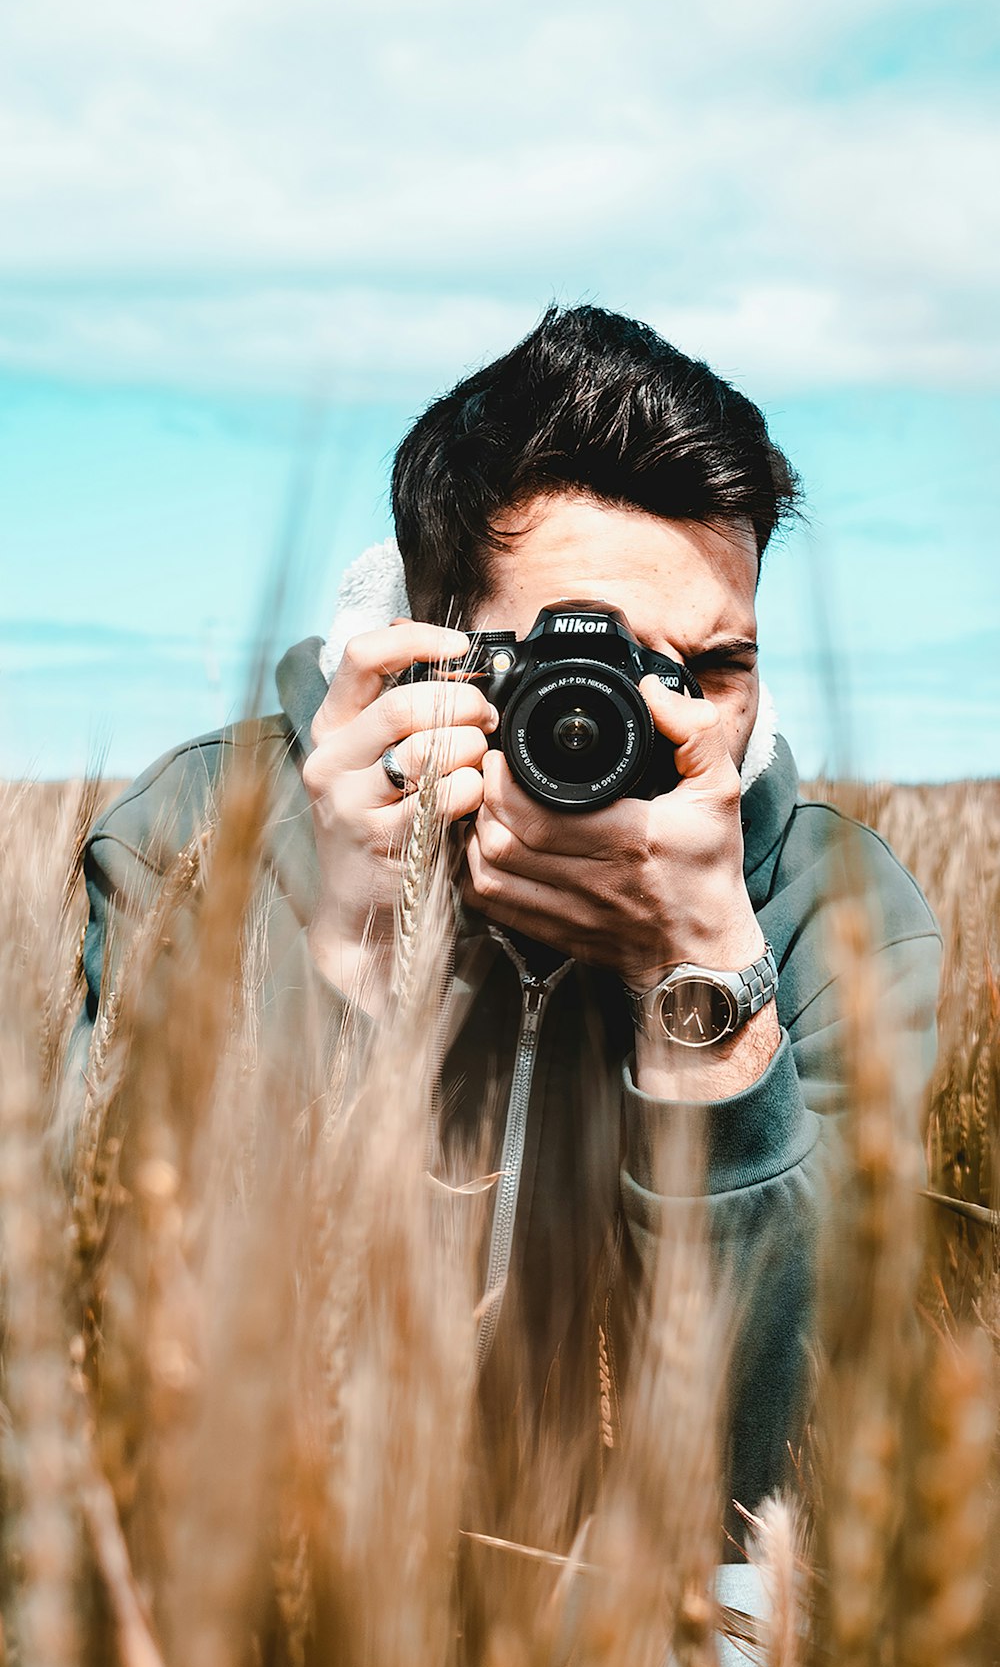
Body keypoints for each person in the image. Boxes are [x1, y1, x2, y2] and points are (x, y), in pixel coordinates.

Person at [77, 305, 942, 1530]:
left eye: (713, 669)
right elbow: (87, 1323)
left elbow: (776, 1461)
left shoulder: (831, 914)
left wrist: (703, 990)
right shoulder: (194, 838)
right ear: (428, 644)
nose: (642, 719)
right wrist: (346, 953)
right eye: (574, 659)